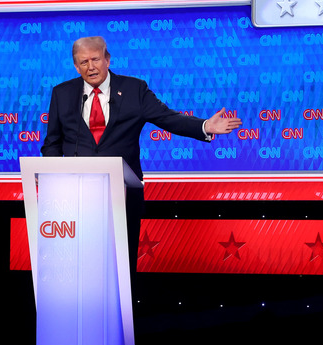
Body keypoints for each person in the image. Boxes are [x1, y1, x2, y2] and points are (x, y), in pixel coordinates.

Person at [41, 36, 242, 278]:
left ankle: (123, 315)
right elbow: (52, 142)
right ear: (76, 66)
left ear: (107, 60)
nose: (90, 67)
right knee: (79, 267)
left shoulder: (135, 89)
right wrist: (52, 179)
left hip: (123, 194)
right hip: (76, 196)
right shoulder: (62, 93)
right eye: (83, 62)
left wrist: (204, 127)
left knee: (121, 267)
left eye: (95, 59)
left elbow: (168, 118)